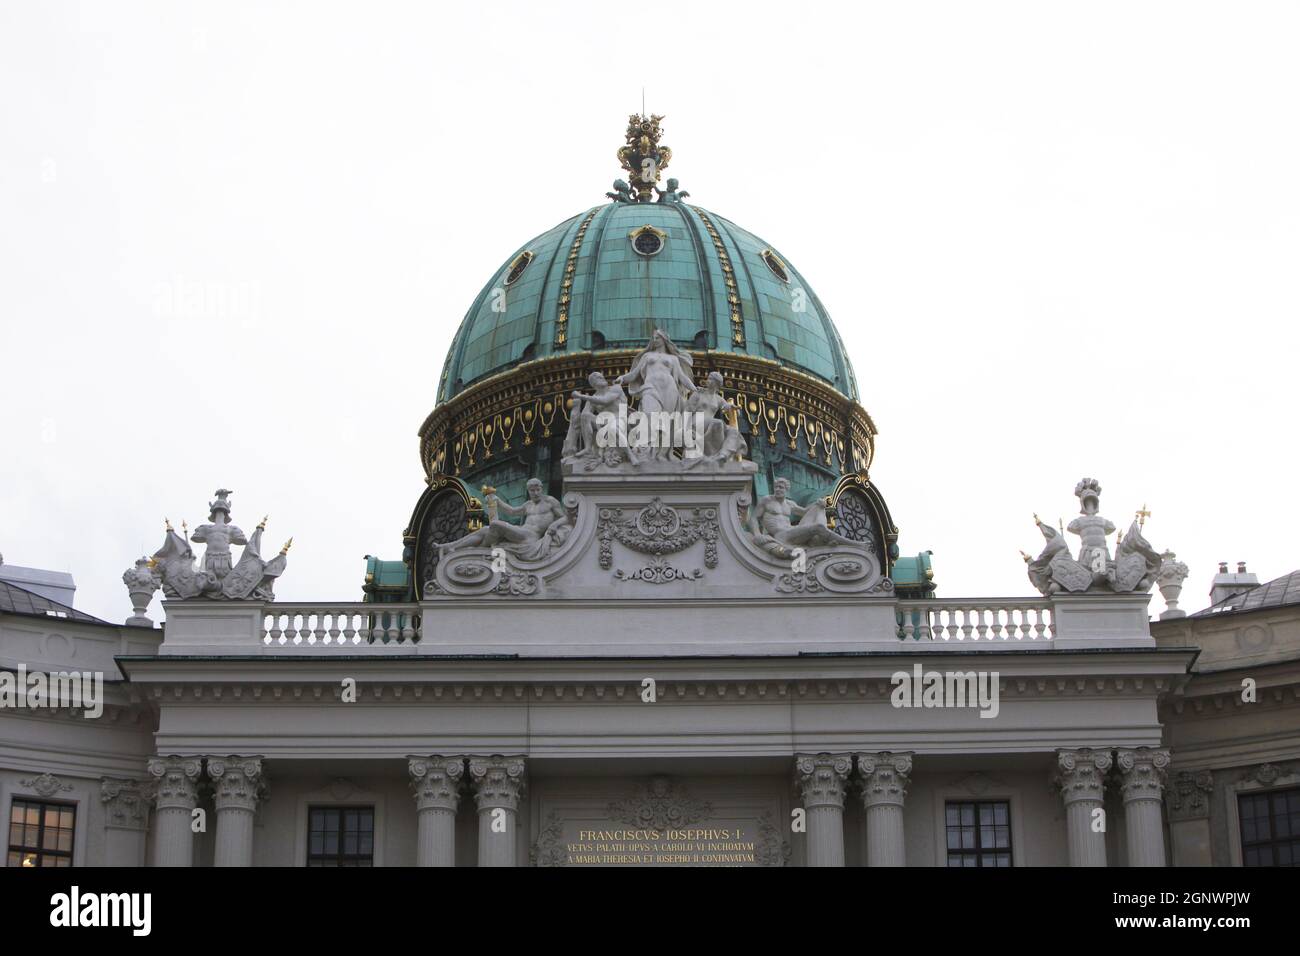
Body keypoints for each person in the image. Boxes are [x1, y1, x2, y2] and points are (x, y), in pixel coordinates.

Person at [440, 478, 565, 554]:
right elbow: (512, 511)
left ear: (541, 488)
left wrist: (554, 524)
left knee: (495, 524)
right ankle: (451, 547)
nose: (535, 493)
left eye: (538, 489)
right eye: (532, 490)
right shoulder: (528, 505)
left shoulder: (550, 501)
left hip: (531, 537)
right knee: (484, 529)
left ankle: (480, 549)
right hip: (521, 532)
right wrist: (497, 501)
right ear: (528, 491)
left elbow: (565, 517)